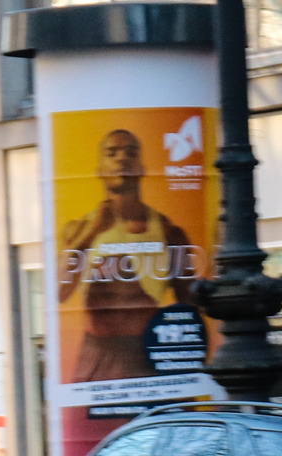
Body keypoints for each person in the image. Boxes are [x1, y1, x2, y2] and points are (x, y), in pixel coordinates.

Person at [56, 128, 201, 385]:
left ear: (143, 168)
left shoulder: (169, 232)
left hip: (149, 352)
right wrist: (92, 233)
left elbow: (190, 308)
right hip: (97, 356)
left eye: (131, 153)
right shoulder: (79, 229)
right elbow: (58, 292)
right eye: (112, 153)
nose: (122, 158)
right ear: (99, 168)